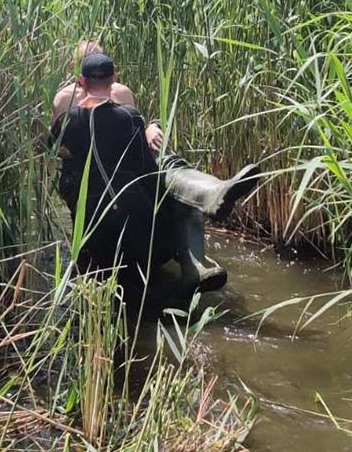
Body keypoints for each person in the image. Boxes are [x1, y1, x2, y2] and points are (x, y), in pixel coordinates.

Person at [51, 50, 261, 300]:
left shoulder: (68, 119)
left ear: (81, 82)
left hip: (93, 218)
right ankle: (207, 203)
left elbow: (56, 150)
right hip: (134, 218)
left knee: (170, 175)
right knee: (173, 177)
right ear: (113, 79)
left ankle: (207, 201)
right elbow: (146, 170)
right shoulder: (130, 117)